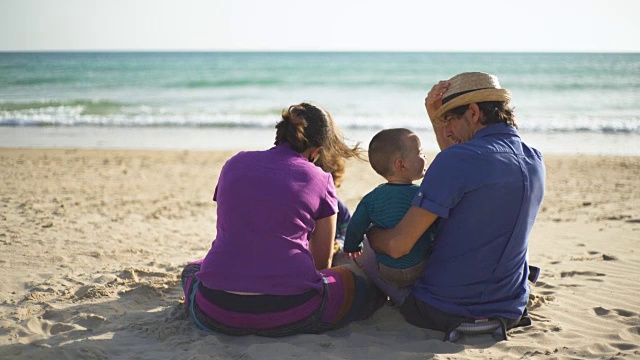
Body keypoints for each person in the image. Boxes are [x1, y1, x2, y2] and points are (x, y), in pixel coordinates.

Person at [181, 102, 386, 337]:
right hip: (291, 311)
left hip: (215, 311)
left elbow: (231, 227)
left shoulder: (234, 164)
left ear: (281, 132)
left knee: (192, 269)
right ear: (317, 150)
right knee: (362, 285)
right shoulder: (320, 178)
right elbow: (321, 262)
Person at [366, 72, 546, 336]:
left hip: (441, 310)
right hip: (509, 309)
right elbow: (458, 170)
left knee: (366, 248)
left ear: (473, 113)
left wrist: (371, 234)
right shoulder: (535, 159)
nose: (446, 130)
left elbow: (397, 246)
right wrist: (437, 119)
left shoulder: (458, 160)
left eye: (450, 119)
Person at [343, 128, 436, 291]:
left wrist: (352, 247)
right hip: (420, 267)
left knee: (368, 241)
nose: (425, 157)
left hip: (387, 270)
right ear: (401, 164)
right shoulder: (421, 194)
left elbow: (355, 226)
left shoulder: (371, 198)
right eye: (420, 153)